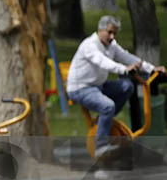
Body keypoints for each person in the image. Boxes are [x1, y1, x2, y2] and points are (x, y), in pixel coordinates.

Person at [66, 16, 166, 157]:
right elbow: (103, 62)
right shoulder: (89, 45)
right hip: (80, 88)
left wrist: (152, 69)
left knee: (127, 86)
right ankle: (100, 147)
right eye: (110, 32)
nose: (112, 37)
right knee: (108, 106)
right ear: (100, 30)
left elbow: (128, 57)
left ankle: (104, 123)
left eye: (115, 33)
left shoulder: (111, 45)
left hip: (98, 85)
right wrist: (124, 70)